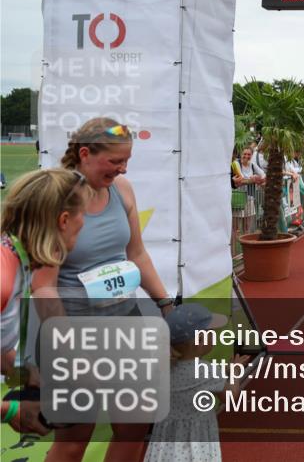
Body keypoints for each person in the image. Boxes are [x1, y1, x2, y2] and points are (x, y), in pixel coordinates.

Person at [33, 117, 174, 462]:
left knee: (133, 430)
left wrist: (167, 305)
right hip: (75, 334)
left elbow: (136, 254)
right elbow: (43, 287)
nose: (122, 169)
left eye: (126, 160)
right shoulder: (56, 201)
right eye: (115, 161)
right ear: (85, 154)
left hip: (126, 328)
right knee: (73, 442)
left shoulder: (122, 190)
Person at [1, 169, 89, 436]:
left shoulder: (19, 262)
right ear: (64, 220)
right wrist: (10, 411)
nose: (84, 223)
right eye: (83, 215)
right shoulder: (4, 277)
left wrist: (28, 374)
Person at [143, 303, 249, 462]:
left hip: (165, 438)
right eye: (211, 333)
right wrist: (234, 372)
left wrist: (221, 371)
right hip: (196, 440)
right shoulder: (206, 371)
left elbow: (189, 376)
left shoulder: (162, 366)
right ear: (200, 340)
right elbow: (230, 397)